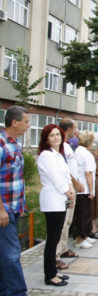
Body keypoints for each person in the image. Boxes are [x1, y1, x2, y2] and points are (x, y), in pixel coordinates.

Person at [37, 124, 75, 286]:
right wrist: (68, 191)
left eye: (58, 135)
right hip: (53, 199)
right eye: (52, 135)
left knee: (56, 236)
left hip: (61, 199)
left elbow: (65, 175)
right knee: (52, 239)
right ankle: (50, 275)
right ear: (46, 139)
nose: (56, 138)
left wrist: (70, 190)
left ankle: (53, 270)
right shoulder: (45, 155)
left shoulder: (58, 154)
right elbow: (55, 178)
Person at [0, 106, 29, 295]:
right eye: (26, 122)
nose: (28, 126)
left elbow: (17, 177)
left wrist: (22, 205)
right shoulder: (1, 144)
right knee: (11, 254)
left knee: (6, 253)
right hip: (4, 210)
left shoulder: (16, 145)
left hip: (15, 208)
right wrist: (1, 210)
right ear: (14, 122)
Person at [55, 118, 84, 270]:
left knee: (68, 220)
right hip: (67, 189)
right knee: (63, 220)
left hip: (72, 188)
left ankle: (63, 247)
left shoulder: (66, 146)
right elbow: (66, 170)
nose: (77, 130)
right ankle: (55, 255)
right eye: (76, 126)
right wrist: (76, 183)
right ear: (69, 129)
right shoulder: (61, 147)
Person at [72, 131, 97, 249]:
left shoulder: (77, 152)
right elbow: (88, 173)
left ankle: (85, 236)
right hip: (84, 188)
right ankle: (80, 239)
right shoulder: (87, 154)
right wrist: (91, 190)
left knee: (84, 214)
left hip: (79, 188)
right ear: (90, 142)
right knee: (83, 215)